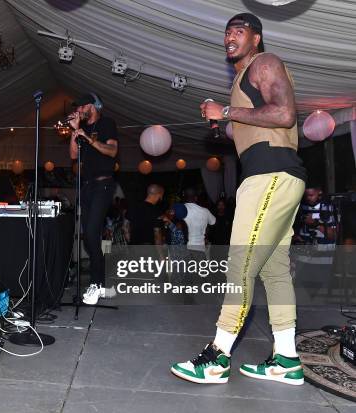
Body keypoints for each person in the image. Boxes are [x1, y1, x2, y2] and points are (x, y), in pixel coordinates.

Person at [171, 13, 307, 385]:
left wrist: (226, 110)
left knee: (241, 264)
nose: (230, 36)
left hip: (270, 177)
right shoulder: (245, 80)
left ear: (256, 39)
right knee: (273, 270)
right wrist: (224, 125)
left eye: (239, 31)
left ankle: (216, 358)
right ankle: (286, 359)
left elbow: (283, 113)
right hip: (277, 175)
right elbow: (258, 127)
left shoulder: (265, 63)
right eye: (227, 31)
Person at [68, 93, 118, 305]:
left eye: (81, 105)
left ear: (93, 106)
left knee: (90, 232)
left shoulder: (106, 123)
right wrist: (74, 133)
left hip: (103, 183)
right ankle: (103, 285)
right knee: (89, 236)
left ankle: (96, 285)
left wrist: (88, 138)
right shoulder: (82, 128)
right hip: (86, 186)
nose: (78, 109)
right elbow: (72, 156)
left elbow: (112, 150)